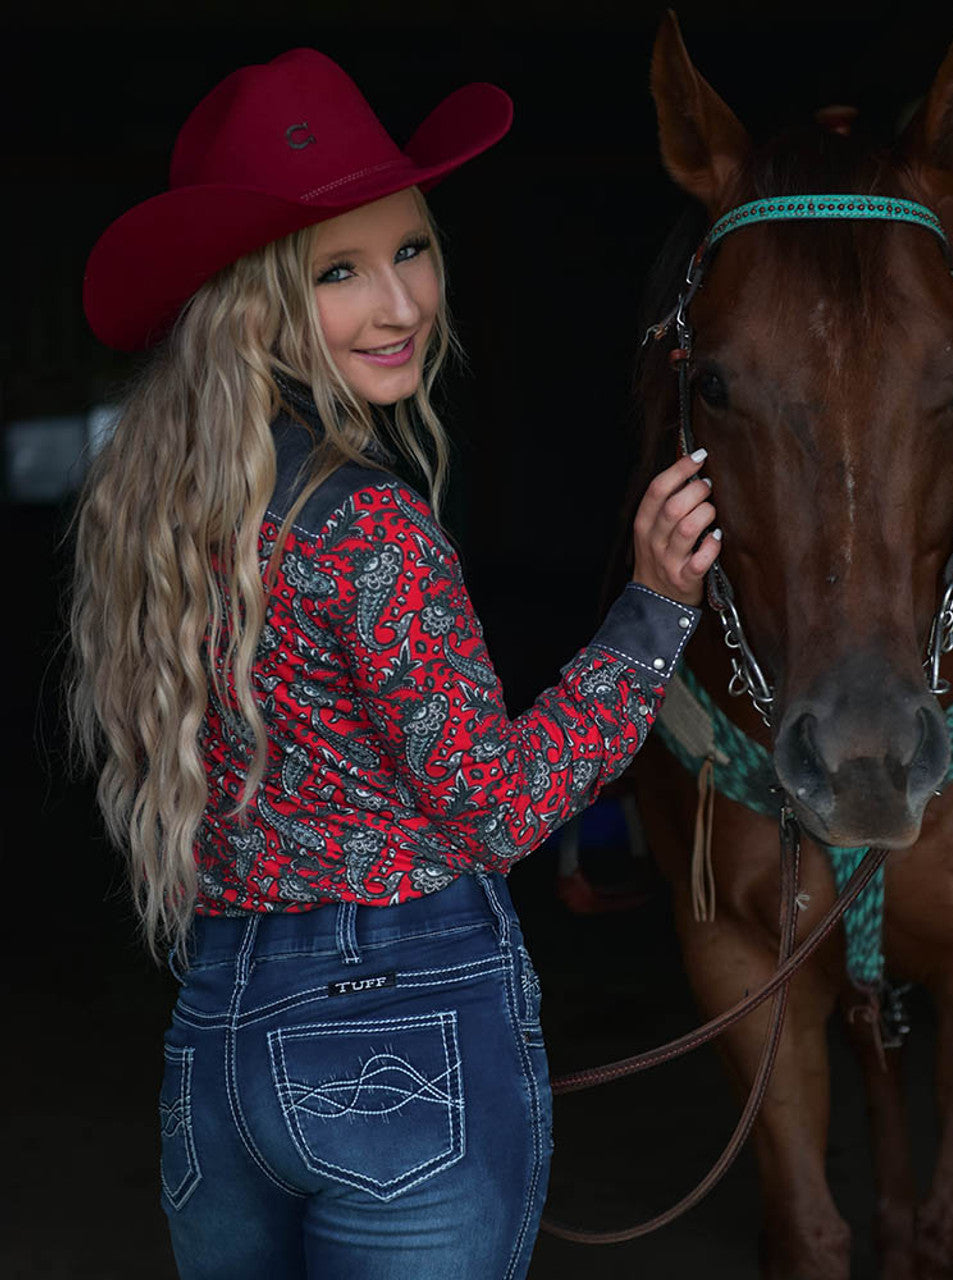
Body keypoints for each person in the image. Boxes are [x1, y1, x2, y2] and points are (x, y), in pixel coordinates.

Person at [70, 48, 720, 1280]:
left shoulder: (160, 509)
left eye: (410, 249)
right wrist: (649, 614)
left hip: (218, 1027)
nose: (400, 304)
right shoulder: (369, 525)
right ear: (250, 303)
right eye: (339, 272)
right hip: (403, 1025)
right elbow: (498, 807)